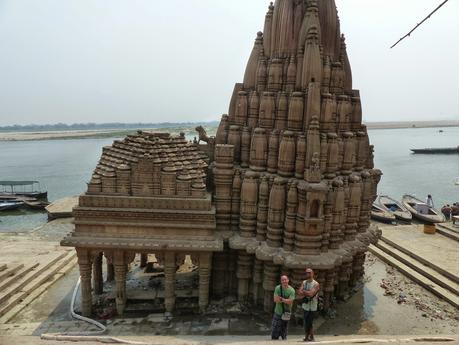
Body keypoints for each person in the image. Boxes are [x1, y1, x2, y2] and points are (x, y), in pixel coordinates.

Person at [297, 268, 320, 342]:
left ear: (312, 273)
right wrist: (306, 292)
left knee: (309, 321)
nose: (308, 274)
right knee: (307, 321)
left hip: (313, 306)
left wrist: (304, 291)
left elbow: (311, 294)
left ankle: (308, 336)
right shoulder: (304, 282)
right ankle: (310, 336)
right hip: (305, 306)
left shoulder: (316, 284)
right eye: (307, 273)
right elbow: (299, 292)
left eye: (310, 273)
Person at [271, 275, 295, 340]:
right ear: (281, 281)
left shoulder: (291, 290)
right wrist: (286, 300)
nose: (284, 281)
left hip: (287, 312)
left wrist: (281, 299)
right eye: (282, 280)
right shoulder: (278, 288)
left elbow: (290, 302)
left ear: (288, 280)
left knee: (284, 330)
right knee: (275, 329)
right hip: (278, 312)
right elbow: (275, 300)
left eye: (285, 279)